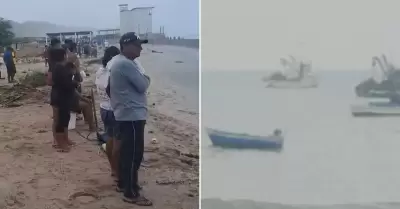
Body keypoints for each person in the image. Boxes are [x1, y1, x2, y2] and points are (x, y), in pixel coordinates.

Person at [109, 32, 152, 205]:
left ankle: (124, 184)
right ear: (125, 46)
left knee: (127, 152)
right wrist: (147, 78)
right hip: (131, 116)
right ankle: (131, 192)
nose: (141, 47)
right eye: (137, 45)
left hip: (126, 115)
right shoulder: (125, 64)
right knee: (133, 155)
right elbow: (143, 85)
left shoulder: (120, 63)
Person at [95, 46, 120, 179]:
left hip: (103, 109)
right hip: (114, 110)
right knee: (118, 142)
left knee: (110, 139)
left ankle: (113, 169)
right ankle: (118, 170)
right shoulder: (114, 72)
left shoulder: (100, 71)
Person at [49, 48, 78, 152]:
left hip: (63, 96)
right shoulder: (59, 67)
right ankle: (60, 143)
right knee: (60, 120)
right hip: (60, 97)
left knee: (65, 118)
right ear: (63, 55)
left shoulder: (61, 66)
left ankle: (65, 139)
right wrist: (75, 83)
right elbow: (65, 83)